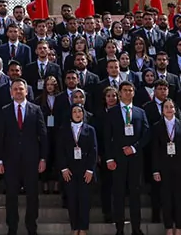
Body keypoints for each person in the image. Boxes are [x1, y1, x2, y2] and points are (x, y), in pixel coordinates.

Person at [0, 79, 49, 235]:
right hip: (10, 161)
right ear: (11, 92)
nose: (18, 91)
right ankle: (12, 227)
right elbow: (0, 137)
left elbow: (43, 135)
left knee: (32, 195)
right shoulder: (5, 110)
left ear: (26, 91)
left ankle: (31, 226)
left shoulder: (36, 109)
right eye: (15, 89)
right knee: (11, 196)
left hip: (31, 160)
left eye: (21, 89)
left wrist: (43, 158)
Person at [105, 81, 150, 235]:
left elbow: (146, 134)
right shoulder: (111, 112)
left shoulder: (140, 112)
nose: (128, 93)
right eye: (125, 90)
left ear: (134, 93)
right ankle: (119, 228)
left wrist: (134, 147)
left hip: (135, 158)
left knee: (135, 194)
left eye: (130, 90)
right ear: (120, 93)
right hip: (118, 159)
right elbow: (106, 137)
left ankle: (136, 228)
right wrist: (109, 159)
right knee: (118, 194)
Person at [151, 99, 181, 235]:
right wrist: (155, 170)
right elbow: (155, 150)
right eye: (166, 107)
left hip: (180, 167)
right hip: (163, 168)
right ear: (162, 110)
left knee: (179, 199)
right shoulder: (157, 126)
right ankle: (169, 227)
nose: (169, 109)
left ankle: (179, 228)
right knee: (166, 198)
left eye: (171, 107)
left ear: (175, 109)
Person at [59, 103, 97, 235]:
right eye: (74, 111)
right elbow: (60, 150)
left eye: (79, 111)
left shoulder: (90, 129)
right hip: (69, 170)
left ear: (83, 113)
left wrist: (90, 170)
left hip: (85, 170)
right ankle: (75, 227)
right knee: (72, 199)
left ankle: (83, 228)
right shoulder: (64, 129)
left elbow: (94, 151)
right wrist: (63, 168)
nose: (77, 114)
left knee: (84, 200)